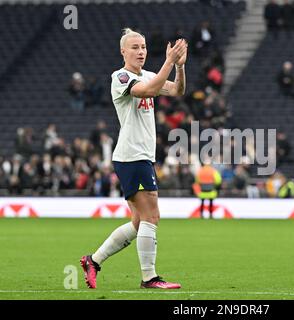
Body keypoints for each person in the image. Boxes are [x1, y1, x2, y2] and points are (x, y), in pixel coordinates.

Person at [80, 28, 188, 290]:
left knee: (139, 222)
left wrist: (180, 68)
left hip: (142, 157)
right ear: (123, 51)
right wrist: (168, 62)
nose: (141, 51)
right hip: (132, 156)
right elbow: (146, 92)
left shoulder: (150, 74)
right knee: (152, 217)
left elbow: (177, 91)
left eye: (143, 47)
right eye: (135, 47)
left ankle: (93, 261)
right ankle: (149, 277)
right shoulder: (120, 77)